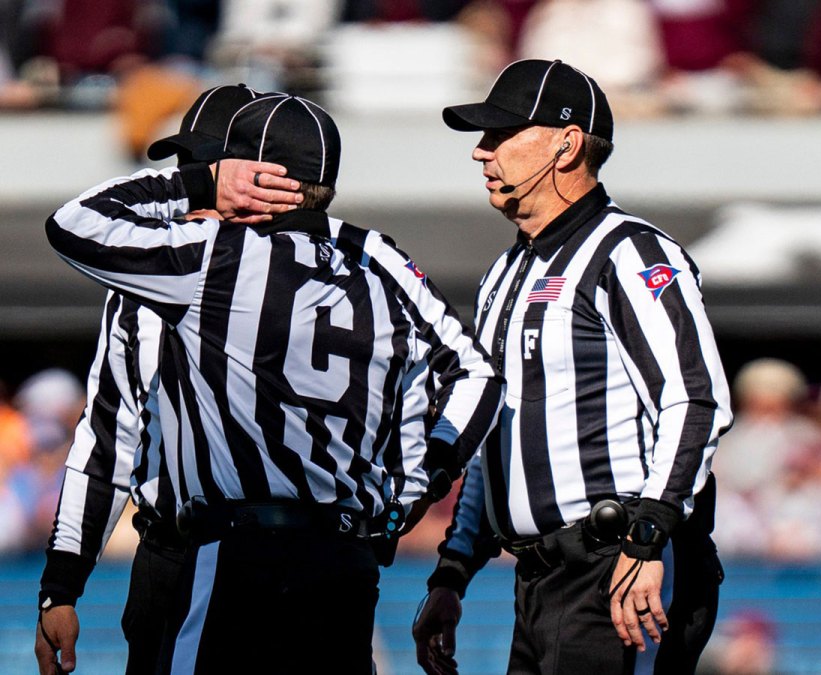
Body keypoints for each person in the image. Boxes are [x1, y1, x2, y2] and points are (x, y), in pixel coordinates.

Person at [43, 92, 503, 674]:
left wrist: (200, 186)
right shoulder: (373, 272)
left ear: (253, 178)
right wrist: (414, 488)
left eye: (214, 168)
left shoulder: (214, 259)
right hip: (340, 555)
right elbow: (461, 380)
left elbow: (72, 224)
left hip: (231, 550)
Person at [411, 58, 732, 674]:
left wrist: (648, 537)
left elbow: (695, 400)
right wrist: (452, 572)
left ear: (566, 143)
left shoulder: (629, 251)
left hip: (615, 567)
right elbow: (494, 433)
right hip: (540, 579)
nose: (482, 153)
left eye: (501, 135)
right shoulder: (504, 273)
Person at [32, 83, 316, 675]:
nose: (194, 188)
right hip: (176, 553)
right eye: (191, 172)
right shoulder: (144, 288)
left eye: (208, 168)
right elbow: (111, 434)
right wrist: (62, 583)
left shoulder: (331, 274)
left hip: (305, 554)